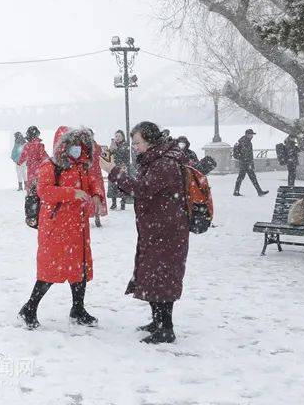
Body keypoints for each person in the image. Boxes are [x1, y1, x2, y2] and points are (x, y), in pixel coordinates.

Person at [103, 121, 190, 344]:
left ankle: (166, 328)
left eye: (138, 142)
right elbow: (141, 188)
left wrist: (112, 172)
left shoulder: (165, 163)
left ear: (151, 141)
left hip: (167, 230)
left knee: (163, 277)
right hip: (156, 228)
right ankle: (157, 321)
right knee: (153, 275)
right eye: (133, 142)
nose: (134, 146)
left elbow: (141, 189)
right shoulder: (154, 159)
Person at [17, 127, 106, 330]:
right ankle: (29, 308)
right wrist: (72, 193)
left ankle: (78, 309)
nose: (78, 149)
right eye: (74, 145)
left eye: (81, 145)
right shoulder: (50, 165)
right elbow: (45, 191)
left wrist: (97, 195)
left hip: (78, 226)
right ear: (63, 146)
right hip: (56, 227)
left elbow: (93, 183)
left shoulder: (82, 165)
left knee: (79, 270)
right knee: (50, 271)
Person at [233, 129, 268, 197]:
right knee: (246, 177)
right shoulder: (245, 142)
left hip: (245, 163)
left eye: (252, 134)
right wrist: (248, 163)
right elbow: (246, 154)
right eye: (251, 134)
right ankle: (259, 191)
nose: (252, 136)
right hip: (245, 163)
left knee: (245, 177)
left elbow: (247, 154)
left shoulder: (246, 141)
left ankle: (236, 191)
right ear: (247, 134)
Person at [18, 126, 49, 193]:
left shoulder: (27, 145)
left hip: (31, 169)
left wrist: (19, 162)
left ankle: (31, 197)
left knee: (31, 188)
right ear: (37, 134)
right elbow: (44, 156)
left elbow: (23, 155)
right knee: (39, 186)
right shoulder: (40, 145)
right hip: (39, 168)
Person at [107, 130, 131, 210]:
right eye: (116, 136)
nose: (117, 138)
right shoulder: (112, 144)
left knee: (122, 185)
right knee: (112, 185)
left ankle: (123, 202)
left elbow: (125, 156)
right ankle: (114, 203)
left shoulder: (125, 145)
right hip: (113, 167)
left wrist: (116, 150)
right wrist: (110, 150)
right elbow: (108, 156)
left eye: (119, 136)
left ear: (123, 137)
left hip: (122, 167)